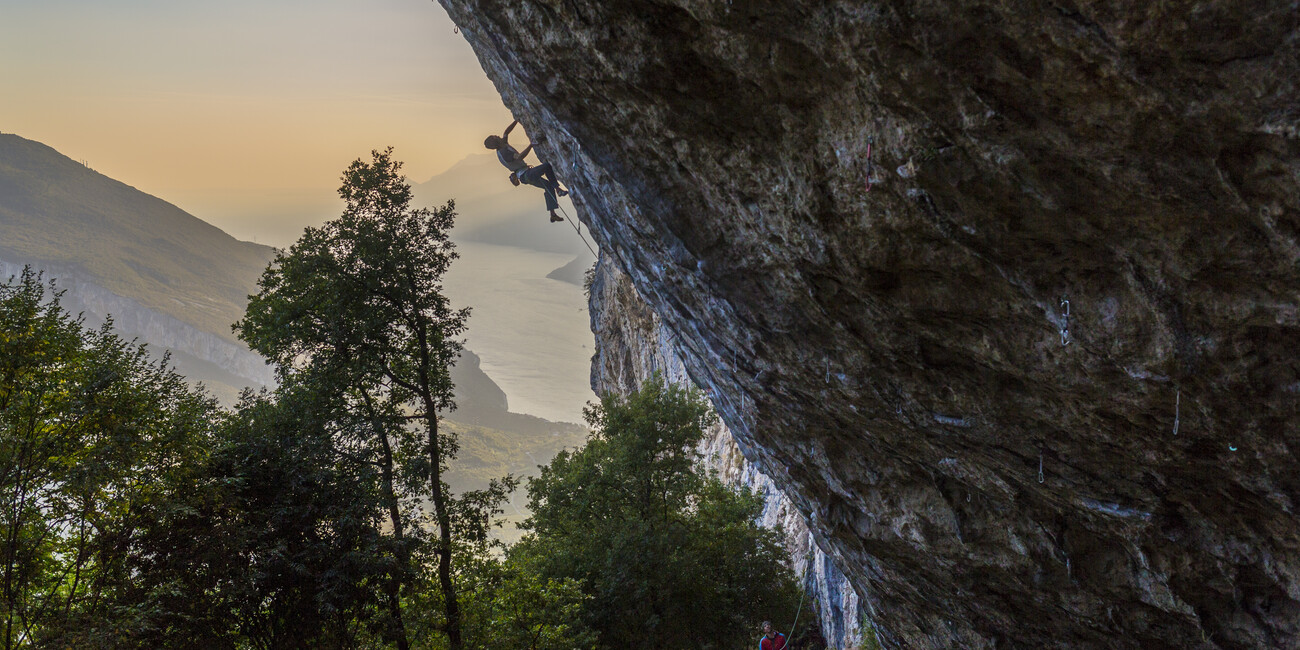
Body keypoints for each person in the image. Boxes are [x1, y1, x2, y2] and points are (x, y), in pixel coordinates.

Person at [484, 120, 568, 222]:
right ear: (495, 142)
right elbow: (519, 157)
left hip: (525, 176)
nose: (497, 135)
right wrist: (531, 145)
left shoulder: (503, 144)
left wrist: (517, 120)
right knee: (547, 166)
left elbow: (506, 132)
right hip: (526, 174)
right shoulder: (504, 153)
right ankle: (558, 189)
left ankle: (553, 214)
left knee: (548, 187)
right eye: (495, 137)